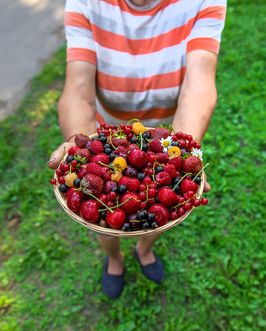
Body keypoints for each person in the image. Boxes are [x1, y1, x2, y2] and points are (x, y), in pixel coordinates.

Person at [48, 0, 227, 299]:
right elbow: (78, 88)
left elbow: (199, 83)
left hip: (163, 142)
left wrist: (182, 148)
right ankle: (114, 258)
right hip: (105, 137)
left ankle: (145, 249)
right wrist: (82, 142)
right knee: (105, 220)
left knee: (160, 209)